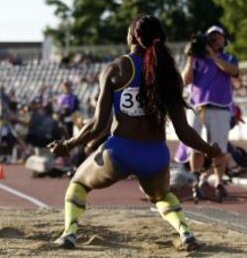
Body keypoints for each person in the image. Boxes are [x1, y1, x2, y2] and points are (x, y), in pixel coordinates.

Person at [48, 14, 222, 251]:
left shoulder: (116, 68)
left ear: (132, 36)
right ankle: (186, 232)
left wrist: (68, 144)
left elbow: (99, 125)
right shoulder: (170, 75)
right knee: (162, 197)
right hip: (156, 156)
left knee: (78, 184)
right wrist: (209, 149)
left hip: (120, 151)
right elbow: (183, 131)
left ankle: (69, 233)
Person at [181, 25, 239, 202]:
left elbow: (232, 71)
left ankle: (219, 183)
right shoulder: (197, 59)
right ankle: (196, 182)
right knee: (196, 147)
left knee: (219, 149)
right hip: (197, 108)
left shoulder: (229, 57)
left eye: (217, 36)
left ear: (224, 39)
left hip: (220, 108)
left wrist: (213, 57)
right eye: (211, 36)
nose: (214, 39)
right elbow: (185, 81)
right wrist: (191, 59)